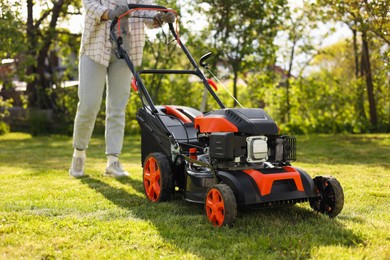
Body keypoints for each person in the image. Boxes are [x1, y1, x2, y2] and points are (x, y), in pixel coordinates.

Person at [69, 0, 175, 177]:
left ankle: (113, 162)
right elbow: (90, 6)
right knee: (88, 105)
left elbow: (147, 10)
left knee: (117, 107)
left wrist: (160, 16)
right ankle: (78, 154)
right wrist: (110, 13)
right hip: (95, 49)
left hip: (125, 49)